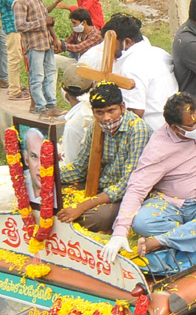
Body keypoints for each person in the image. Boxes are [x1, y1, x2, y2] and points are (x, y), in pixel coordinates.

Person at [103, 91, 196, 273]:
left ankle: (161, 243)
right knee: (143, 222)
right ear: (176, 128)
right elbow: (137, 187)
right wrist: (120, 232)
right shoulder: (159, 146)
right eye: (193, 125)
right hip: (170, 205)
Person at [59, 82, 153, 232]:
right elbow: (79, 169)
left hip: (125, 196)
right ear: (93, 112)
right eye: (100, 113)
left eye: (111, 111)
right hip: (99, 188)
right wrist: (48, 174)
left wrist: (82, 206)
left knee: (90, 218)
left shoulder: (137, 130)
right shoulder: (96, 128)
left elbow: (126, 185)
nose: (106, 118)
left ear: (122, 107)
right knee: (53, 194)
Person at [12, 0, 61, 119]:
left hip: (45, 43)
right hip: (34, 45)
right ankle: (40, 108)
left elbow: (47, 19)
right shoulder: (20, 0)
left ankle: (52, 105)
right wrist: (42, 22)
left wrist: (54, 38)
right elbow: (20, 26)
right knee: (37, 77)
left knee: (50, 74)